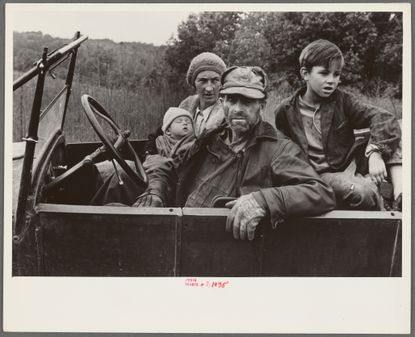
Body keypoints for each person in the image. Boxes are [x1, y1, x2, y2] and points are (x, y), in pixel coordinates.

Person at [134, 66, 335, 240]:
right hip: (179, 227)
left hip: (218, 242)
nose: (238, 109)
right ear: (223, 103)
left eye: (247, 101)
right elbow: (172, 165)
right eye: (232, 100)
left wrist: (263, 200)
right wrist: (156, 189)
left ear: (261, 107)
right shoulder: (209, 139)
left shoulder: (278, 148)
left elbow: (321, 192)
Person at [274, 39, 401, 210]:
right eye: (324, 73)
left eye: (336, 74)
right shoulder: (286, 110)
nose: (331, 80)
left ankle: (400, 195)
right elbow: (282, 150)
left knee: (402, 127)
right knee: (363, 193)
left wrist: (375, 152)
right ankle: (382, 200)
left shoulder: (342, 100)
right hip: (317, 175)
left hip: (348, 165)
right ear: (305, 73)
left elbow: (383, 117)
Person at [90, 107, 194, 205]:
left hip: (172, 186)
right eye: (179, 121)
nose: (185, 123)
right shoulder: (156, 143)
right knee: (120, 174)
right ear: (167, 131)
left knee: (123, 175)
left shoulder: (194, 145)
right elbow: (143, 158)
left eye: (188, 122)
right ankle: (96, 212)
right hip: (149, 177)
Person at [179, 52, 227, 137]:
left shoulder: (229, 117)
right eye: (203, 81)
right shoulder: (182, 112)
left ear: (222, 84)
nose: (209, 88)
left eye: (215, 80)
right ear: (194, 84)